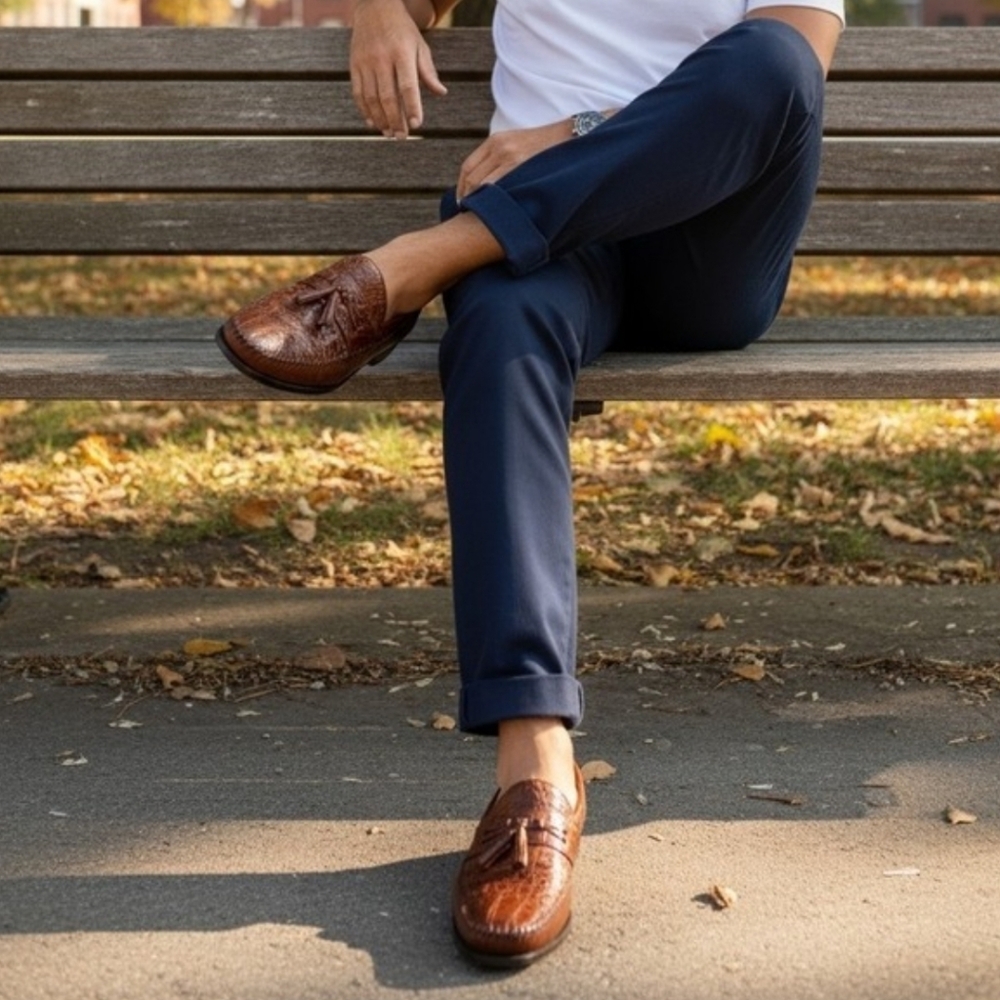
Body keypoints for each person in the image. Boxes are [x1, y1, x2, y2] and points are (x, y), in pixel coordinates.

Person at [217, 0, 845, 969]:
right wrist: (379, 13)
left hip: (704, 247)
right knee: (500, 325)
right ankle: (536, 769)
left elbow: (787, 75)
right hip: (549, 245)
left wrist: (572, 135)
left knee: (769, 65)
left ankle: (415, 265)